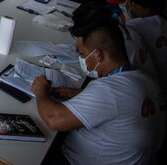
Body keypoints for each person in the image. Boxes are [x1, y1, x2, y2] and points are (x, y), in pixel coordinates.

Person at [32, 14, 165, 165]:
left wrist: (40, 91)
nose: (81, 59)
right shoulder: (146, 81)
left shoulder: (108, 90)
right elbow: (122, 107)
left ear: (98, 55)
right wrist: (80, 94)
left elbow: (54, 119)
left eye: (81, 54)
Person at [122, 0, 167, 96]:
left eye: (128, 2)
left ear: (139, 6)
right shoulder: (162, 20)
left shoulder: (136, 25)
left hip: (156, 84)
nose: (126, 5)